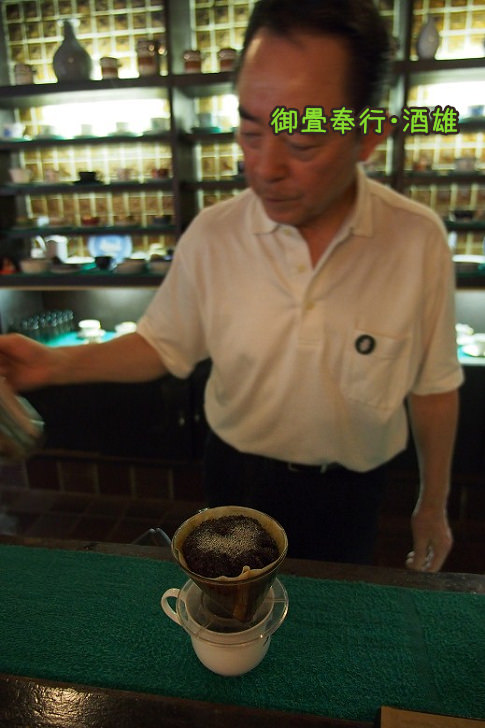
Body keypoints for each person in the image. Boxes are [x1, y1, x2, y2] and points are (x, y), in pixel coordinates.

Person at [0, 0, 462, 570]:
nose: (264, 168)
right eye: (249, 130)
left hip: (352, 490)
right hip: (238, 475)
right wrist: (52, 364)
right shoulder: (215, 233)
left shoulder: (416, 240)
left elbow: (434, 385)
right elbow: (164, 344)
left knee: (334, 614)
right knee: (231, 610)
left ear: (366, 137)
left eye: (301, 142)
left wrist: (432, 504)